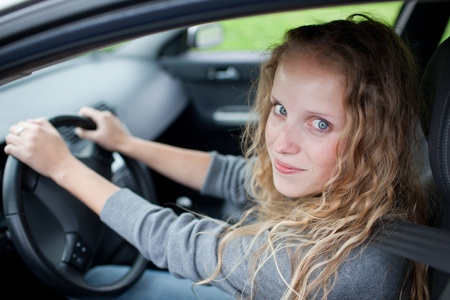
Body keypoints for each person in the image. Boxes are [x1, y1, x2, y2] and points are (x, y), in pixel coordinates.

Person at [4, 15, 431, 299]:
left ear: (373, 136)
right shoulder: (362, 190)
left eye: (319, 123)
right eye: (280, 110)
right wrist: (129, 145)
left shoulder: (338, 263)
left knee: (96, 282)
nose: (281, 142)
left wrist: (62, 168)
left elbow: (178, 240)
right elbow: (237, 176)